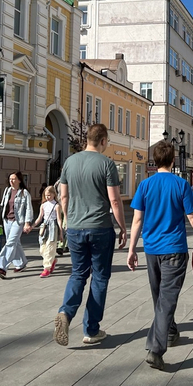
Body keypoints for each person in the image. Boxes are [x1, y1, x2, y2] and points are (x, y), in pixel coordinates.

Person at [128, 141, 193, 370]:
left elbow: (137, 220)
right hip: (174, 249)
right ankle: (156, 350)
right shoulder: (181, 184)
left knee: (160, 297)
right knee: (166, 299)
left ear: (155, 162)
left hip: (152, 250)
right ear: (173, 161)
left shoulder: (144, 185)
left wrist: (132, 249)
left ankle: (171, 331)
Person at [54, 124, 127, 347]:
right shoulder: (107, 164)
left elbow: (63, 197)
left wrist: (68, 220)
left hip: (75, 227)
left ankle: (66, 313)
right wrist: (123, 227)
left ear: (87, 139)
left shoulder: (70, 162)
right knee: (100, 277)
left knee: (78, 274)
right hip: (100, 228)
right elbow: (114, 201)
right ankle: (91, 330)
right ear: (103, 140)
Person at [0, 171, 33, 279]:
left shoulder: (24, 193)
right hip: (7, 220)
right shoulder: (7, 190)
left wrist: (27, 223)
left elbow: (29, 208)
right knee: (15, 242)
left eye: (14, 179)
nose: (11, 181)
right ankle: (21, 263)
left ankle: (2, 267)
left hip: (18, 221)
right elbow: (2, 205)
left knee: (10, 242)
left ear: (19, 180)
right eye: (10, 179)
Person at [32, 185, 64, 278]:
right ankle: (52, 260)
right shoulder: (43, 205)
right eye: (46, 195)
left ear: (54, 194)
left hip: (53, 227)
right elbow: (39, 218)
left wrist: (61, 232)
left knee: (50, 248)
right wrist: (32, 226)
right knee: (42, 249)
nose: (47, 197)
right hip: (44, 227)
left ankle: (47, 268)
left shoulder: (57, 205)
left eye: (49, 195)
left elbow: (59, 219)